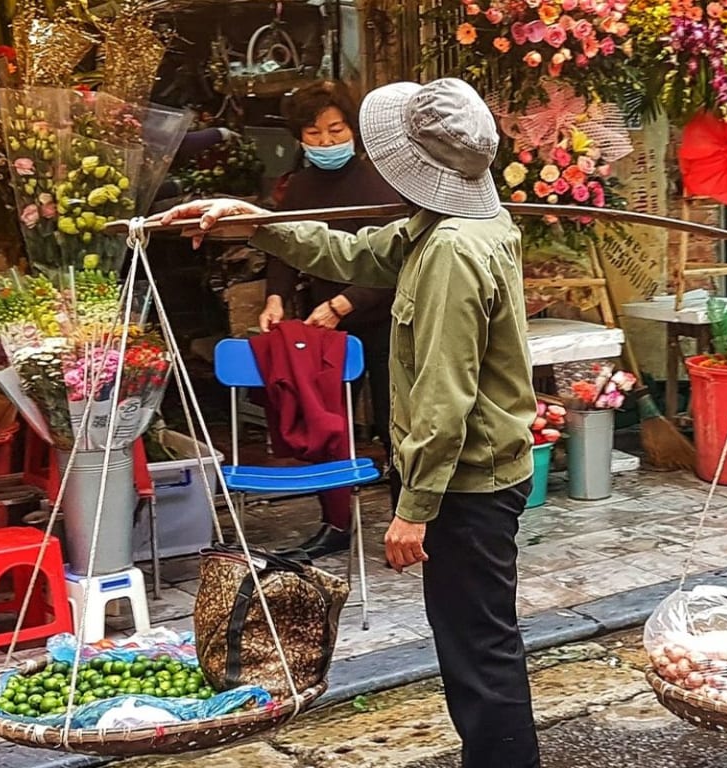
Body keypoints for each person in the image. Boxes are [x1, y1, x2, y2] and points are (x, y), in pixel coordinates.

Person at [163, 78, 541, 768]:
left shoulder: (456, 248)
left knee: (479, 649)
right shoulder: (438, 229)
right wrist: (254, 220)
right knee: (471, 641)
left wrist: (414, 509)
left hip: (470, 482)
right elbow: (355, 254)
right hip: (472, 473)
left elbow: (445, 392)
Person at [264, 80, 405, 559]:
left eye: (335, 130)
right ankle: (336, 523)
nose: (326, 142)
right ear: (299, 138)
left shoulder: (381, 182)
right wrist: (276, 297)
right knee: (330, 424)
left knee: (395, 424)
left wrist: (346, 302)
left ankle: (408, 527)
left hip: (385, 318)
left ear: (354, 130)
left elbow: (400, 260)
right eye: (315, 133)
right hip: (326, 326)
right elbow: (283, 244)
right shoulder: (298, 186)